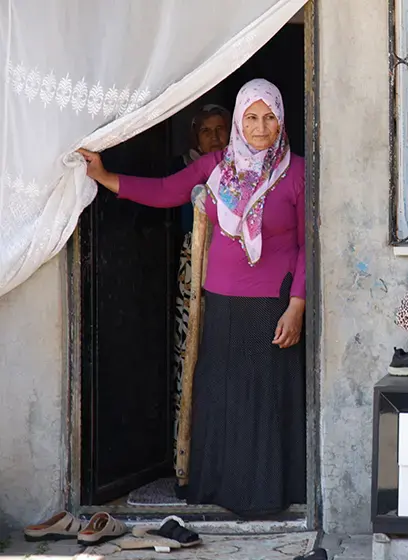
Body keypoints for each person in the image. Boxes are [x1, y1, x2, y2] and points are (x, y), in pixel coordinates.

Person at [77, 79, 306, 518]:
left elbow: (306, 247)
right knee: (221, 396)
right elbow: (165, 191)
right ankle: (220, 487)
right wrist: (105, 177)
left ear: (281, 119)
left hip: (273, 305)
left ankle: (264, 494)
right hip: (221, 299)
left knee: (263, 399)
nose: (260, 127)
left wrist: (296, 306)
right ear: (240, 120)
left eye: (269, 116)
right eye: (252, 117)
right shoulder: (216, 167)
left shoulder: (295, 172)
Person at [169, 104, 233, 488]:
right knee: (188, 356)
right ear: (195, 137)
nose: (214, 137)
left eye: (220, 129)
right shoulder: (187, 169)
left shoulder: (240, 170)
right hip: (191, 276)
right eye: (206, 131)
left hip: (228, 279)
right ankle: (185, 462)